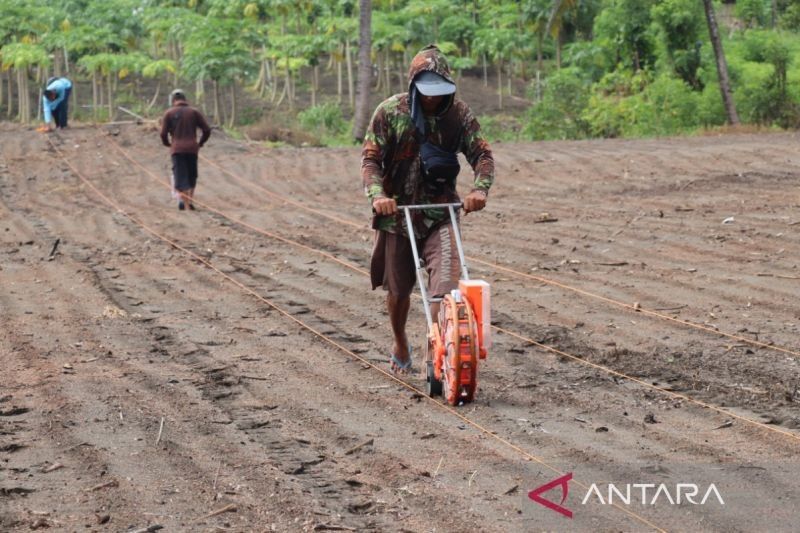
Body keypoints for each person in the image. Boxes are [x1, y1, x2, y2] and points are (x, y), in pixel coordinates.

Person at [361, 44, 495, 374]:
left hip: (441, 214)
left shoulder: (459, 115)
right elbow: (370, 161)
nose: (433, 99)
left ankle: (438, 349)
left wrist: (479, 190)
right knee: (398, 290)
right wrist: (379, 197)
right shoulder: (390, 112)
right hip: (397, 217)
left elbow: (483, 156)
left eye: (440, 93)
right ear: (413, 86)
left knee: (444, 292)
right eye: (427, 93)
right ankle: (400, 341)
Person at [160, 89, 211, 211]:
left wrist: (168, 143)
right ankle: (189, 201)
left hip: (177, 149)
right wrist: (200, 143)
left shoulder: (169, 113)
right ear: (185, 99)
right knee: (191, 174)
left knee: (180, 176)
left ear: (173, 100)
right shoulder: (194, 112)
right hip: (192, 148)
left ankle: (185, 203)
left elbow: (163, 133)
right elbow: (207, 130)